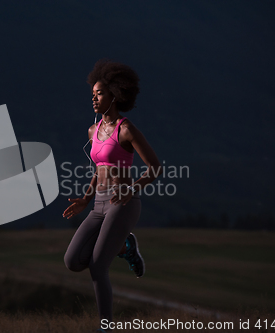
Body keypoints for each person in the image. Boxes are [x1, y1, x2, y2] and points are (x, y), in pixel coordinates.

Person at [63, 59, 162, 332]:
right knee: (72, 261)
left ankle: (105, 327)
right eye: (92, 94)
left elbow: (155, 168)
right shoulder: (93, 131)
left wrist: (132, 189)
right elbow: (100, 168)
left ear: (115, 95)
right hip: (98, 204)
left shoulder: (126, 129)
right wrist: (85, 198)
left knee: (97, 266)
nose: (94, 99)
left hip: (124, 203)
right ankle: (124, 247)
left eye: (100, 94)